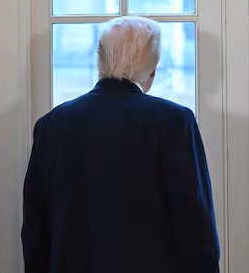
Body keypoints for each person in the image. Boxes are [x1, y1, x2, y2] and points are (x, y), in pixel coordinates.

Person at [22, 16, 219, 273]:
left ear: (100, 61)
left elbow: (36, 234)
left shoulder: (50, 126)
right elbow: (195, 230)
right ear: (152, 70)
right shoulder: (174, 122)